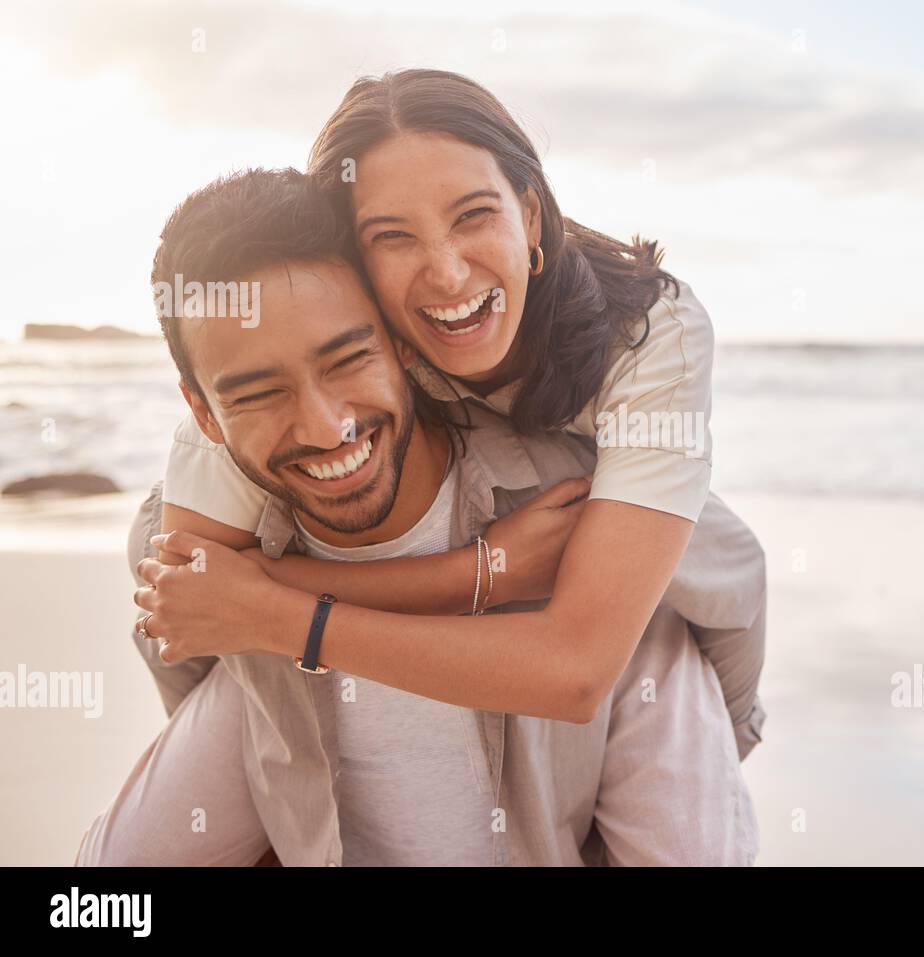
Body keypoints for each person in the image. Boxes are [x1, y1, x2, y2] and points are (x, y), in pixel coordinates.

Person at [79, 168, 757, 866]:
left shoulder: (585, 530)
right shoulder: (230, 588)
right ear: (203, 414)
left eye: (347, 358)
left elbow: (730, 592)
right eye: (258, 394)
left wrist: (473, 577)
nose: (324, 426)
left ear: (405, 341)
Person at [139, 69, 768, 755]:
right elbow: (192, 588)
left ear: (529, 215)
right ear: (350, 257)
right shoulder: (322, 346)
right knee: (151, 528)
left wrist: (285, 616)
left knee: (694, 574)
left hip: (663, 565)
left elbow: (577, 668)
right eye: (392, 236)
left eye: (473, 216)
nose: (446, 274)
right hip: (496, 536)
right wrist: (477, 571)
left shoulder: (654, 331)